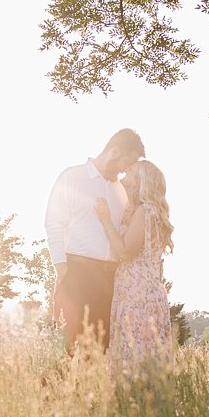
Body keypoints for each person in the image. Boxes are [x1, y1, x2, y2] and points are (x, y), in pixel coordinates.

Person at [45, 129, 146, 355]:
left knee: (99, 353)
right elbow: (53, 225)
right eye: (126, 163)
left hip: (110, 281)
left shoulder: (122, 190)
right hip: (77, 273)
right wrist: (63, 273)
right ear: (115, 151)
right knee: (67, 350)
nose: (126, 170)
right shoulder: (72, 177)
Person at [93, 159, 175, 373]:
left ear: (140, 181)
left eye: (131, 171)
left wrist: (105, 219)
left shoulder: (145, 211)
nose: (125, 172)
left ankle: (135, 400)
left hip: (137, 292)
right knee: (144, 353)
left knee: (135, 353)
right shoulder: (148, 211)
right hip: (143, 289)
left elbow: (125, 251)